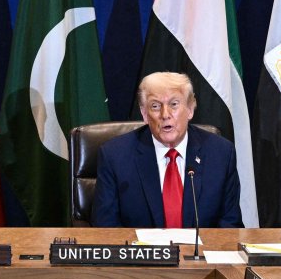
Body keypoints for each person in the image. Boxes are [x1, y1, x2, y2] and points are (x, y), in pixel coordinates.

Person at [93, 72, 242, 228]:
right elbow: (105, 228)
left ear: (190, 109)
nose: (165, 115)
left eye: (174, 104)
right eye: (155, 106)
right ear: (144, 114)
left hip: (202, 251)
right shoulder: (115, 156)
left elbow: (230, 226)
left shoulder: (220, 154)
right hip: (141, 251)